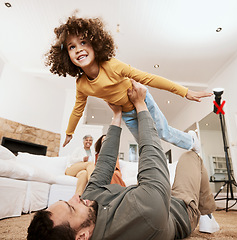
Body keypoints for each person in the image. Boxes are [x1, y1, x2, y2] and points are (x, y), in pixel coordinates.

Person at [27, 80, 219, 240]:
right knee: (191, 155)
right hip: (180, 208)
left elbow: (103, 166)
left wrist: (117, 115)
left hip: (157, 199)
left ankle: (207, 213)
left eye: (66, 200)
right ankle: (205, 213)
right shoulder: (143, 215)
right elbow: (153, 157)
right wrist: (140, 105)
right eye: (71, 206)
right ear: (82, 236)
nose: (76, 197)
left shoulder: (87, 208)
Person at [45, 15, 212, 153]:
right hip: (127, 114)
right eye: (71, 47)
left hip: (143, 102)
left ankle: (191, 140)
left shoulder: (112, 66)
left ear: (95, 45)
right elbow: (77, 108)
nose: (78, 49)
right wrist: (69, 132)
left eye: (83, 42)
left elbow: (148, 78)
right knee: (145, 145)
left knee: (162, 132)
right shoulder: (81, 84)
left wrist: (185, 92)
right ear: (66, 56)